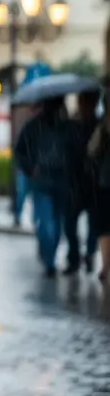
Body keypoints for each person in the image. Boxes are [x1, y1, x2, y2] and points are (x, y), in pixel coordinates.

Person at [14, 99, 76, 277]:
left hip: (61, 179)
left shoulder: (67, 127)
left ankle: (50, 257)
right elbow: (20, 151)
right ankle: (49, 258)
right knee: (48, 222)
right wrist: (30, 167)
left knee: (55, 222)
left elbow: (76, 152)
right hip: (43, 179)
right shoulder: (34, 126)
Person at [64, 91, 101, 275]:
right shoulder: (72, 125)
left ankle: (89, 254)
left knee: (93, 222)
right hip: (75, 181)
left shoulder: (100, 126)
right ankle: (74, 256)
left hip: (94, 182)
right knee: (70, 222)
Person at [86, 90, 110, 283]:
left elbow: (92, 150)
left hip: (106, 180)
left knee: (104, 225)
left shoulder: (103, 126)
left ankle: (105, 265)